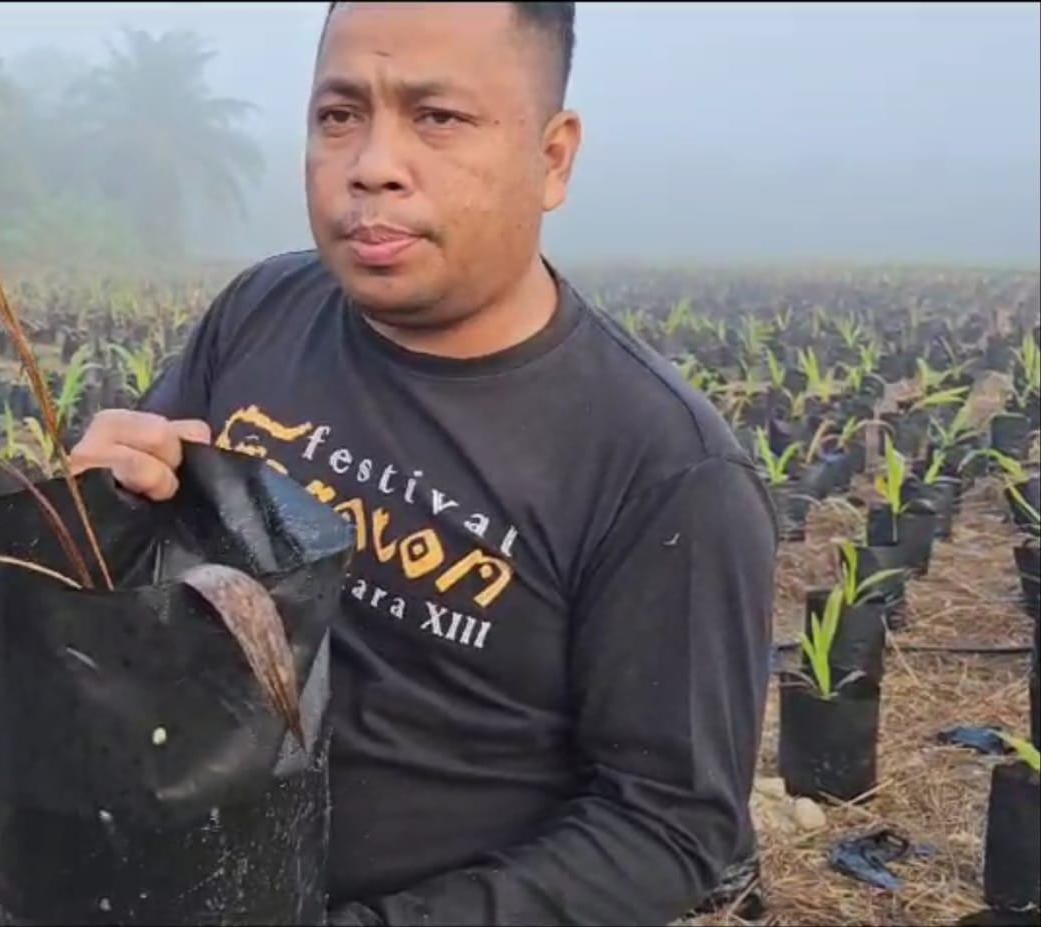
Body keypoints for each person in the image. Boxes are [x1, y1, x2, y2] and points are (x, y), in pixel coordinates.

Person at [67, 3, 778, 924]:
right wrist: (106, 503)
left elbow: (668, 826)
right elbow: (135, 573)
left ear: (553, 157)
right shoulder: (263, 311)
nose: (372, 165)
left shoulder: (662, 467)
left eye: (437, 118)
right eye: (339, 115)